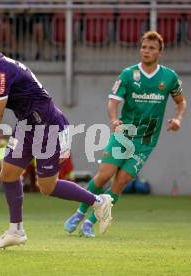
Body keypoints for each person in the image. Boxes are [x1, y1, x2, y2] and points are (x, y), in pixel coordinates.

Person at [0, 26, 113, 249]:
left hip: (48, 127)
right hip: (26, 126)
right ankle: (16, 231)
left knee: (47, 187)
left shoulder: (2, 72)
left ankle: (99, 201)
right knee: (8, 173)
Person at [64, 31, 186, 238]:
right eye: (144, 47)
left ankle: (91, 223)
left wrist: (178, 119)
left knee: (120, 182)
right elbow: (113, 101)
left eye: (152, 48)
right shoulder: (129, 74)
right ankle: (79, 212)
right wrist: (113, 119)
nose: (146, 51)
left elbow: (181, 101)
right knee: (104, 175)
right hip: (124, 133)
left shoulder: (169, 77)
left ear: (160, 52)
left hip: (146, 140)